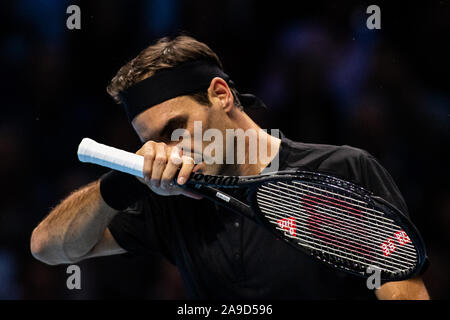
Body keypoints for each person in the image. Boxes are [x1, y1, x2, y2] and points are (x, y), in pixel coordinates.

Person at [30, 35, 429, 299]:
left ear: (220, 95)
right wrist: (125, 180)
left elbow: (402, 288)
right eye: (154, 142)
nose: (172, 150)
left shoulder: (342, 170)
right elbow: (49, 248)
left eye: (176, 128)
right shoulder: (169, 198)